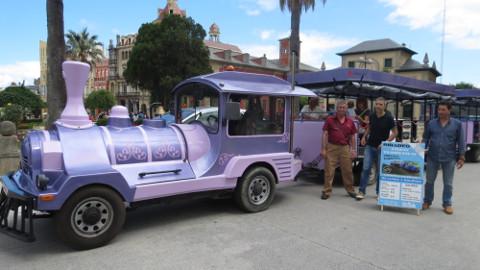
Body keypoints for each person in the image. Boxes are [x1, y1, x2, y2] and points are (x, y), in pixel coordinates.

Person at [422, 100, 465, 215]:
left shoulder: (457, 124)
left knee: (448, 183)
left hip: (449, 157)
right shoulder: (431, 123)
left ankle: (447, 203)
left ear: (449, 110)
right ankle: (427, 201)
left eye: (443, 109)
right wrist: (421, 150)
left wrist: (461, 156)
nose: (440, 112)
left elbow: (461, 141)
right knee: (429, 181)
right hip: (432, 156)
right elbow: (425, 139)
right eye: (439, 109)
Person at [356, 97, 398, 200]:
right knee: (366, 168)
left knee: (380, 171)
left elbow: (395, 132)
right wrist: (365, 136)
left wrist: (386, 142)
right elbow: (370, 127)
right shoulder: (372, 115)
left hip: (382, 148)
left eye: (380, 104)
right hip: (370, 146)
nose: (378, 106)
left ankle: (379, 193)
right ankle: (361, 191)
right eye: (377, 104)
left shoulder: (389, 117)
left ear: (384, 106)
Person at [320, 99, 358, 200]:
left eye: (343, 108)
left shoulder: (350, 121)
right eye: (340, 107)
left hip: (345, 147)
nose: (342, 109)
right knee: (329, 170)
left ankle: (350, 190)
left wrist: (353, 150)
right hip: (332, 146)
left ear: (346, 109)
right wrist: (323, 149)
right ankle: (326, 191)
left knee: (347, 170)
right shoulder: (330, 120)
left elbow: (352, 136)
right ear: (336, 109)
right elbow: (325, 134)